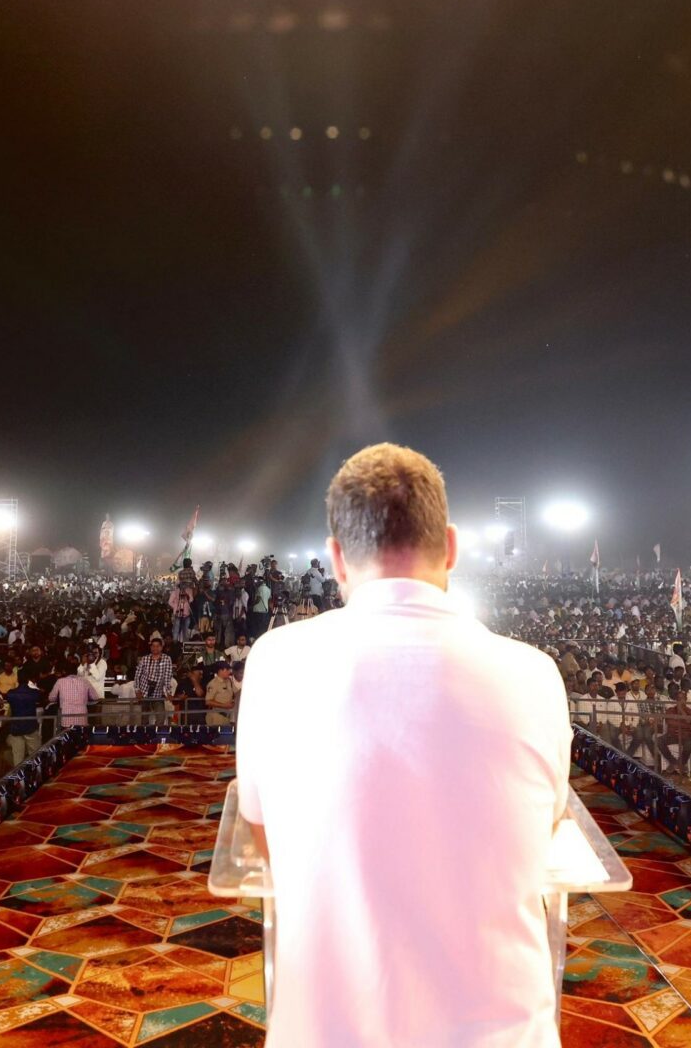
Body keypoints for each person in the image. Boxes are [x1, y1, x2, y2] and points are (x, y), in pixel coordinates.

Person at [236, 442, 570, 1048]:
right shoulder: (534, 674)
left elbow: (265, 842)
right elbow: (542, 830)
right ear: (451, 547)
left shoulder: (277, 662)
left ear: (336, 559)